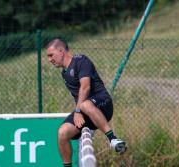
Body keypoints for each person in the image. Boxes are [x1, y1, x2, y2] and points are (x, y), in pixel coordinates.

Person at [45, 38, 127, 167]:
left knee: (84, 104)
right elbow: (78, 97)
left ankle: (113, 140)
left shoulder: (81, 61)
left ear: (61, 51)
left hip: (103, 103)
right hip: (85, 109)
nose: (49, 59)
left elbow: (86, 87)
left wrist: (78, 111)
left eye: (51, 55)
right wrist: (79, 112)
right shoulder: (64, 73)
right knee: (62, 133)